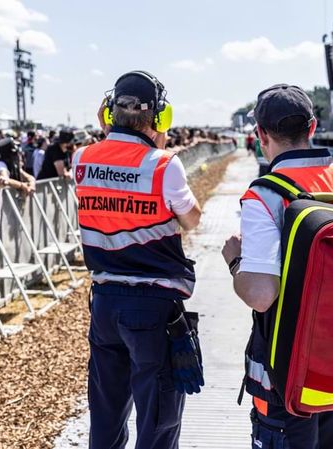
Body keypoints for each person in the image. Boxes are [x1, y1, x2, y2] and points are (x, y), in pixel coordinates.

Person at [220, 84, 333, 449]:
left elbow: (262, 296)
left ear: (260, 134)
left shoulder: (266, 194)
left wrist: (235, 260)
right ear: (312, 127)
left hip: (286, 372)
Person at [78, 71, 202, 449]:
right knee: (158, 419)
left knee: (106, 413)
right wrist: (157, 145)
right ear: (160, 117)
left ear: (108, 112)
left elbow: (110, 159)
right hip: (153, 306)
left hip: (104, 302)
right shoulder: (164, 165)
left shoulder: (82, 159)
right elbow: (192, 218)